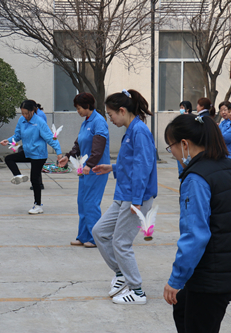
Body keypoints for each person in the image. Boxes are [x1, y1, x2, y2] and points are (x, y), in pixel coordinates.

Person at [163, 114, 231, 333]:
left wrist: (176, 279)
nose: (174, 154)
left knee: (198, 322)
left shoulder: (196, 178)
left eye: (172, 147)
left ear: (184, 144)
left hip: (213, 275)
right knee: (183, 307)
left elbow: (195, 235)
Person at [91, 89, 157, 305]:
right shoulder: (131, 130)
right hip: (124, 194)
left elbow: (143, 167)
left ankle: (137, 291)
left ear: (122, 110)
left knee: (121, 242)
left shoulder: (139, 131)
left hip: (134, 197)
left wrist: (137, 201)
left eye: (111, 115)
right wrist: (112, 167)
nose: (110, 119)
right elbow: (131, 164)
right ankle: (121, 275)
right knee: (100, 232)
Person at [58, 93, 110, 248]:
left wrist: (90, 164)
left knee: (91, 203)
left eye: (79, 108)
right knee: (82, 202)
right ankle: (83, 236)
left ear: (87, 106)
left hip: (96, 169)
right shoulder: (86, 122)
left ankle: (95, 238)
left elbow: (99, 147)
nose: (78, 111)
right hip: (85, 169)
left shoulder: (99, 121)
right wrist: (68, 156)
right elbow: (79, 144)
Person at [0, 100, 62, 215]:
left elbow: (50, 138)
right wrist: (8, 141)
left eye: (26, 113)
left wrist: (59, 153)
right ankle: (18, 176)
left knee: (34, 178)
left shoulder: (39, 122)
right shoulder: (22, 120)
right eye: (22, 113)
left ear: (33, 111)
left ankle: (38, 205)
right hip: (28, 152)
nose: (24, 116)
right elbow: (17, 135)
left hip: (39, 154)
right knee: (9, 158)